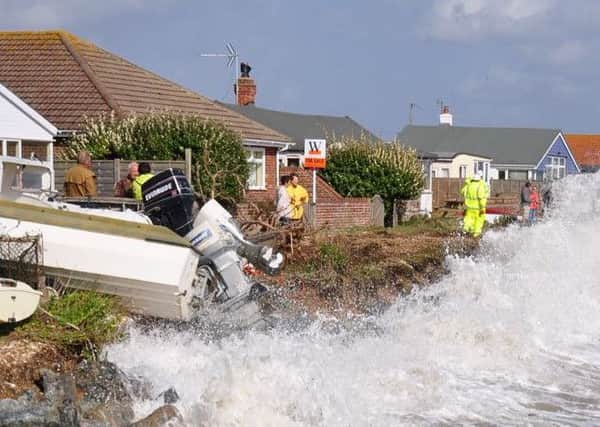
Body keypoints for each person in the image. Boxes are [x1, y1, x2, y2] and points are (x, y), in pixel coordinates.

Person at [461, 170, 488, 238]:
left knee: (468, 219)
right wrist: (482, 207)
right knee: (478, 221)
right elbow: (481, 198)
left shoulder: (468, 186)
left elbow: (462, 192)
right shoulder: (480, 186)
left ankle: (466, 230)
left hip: (469, 207)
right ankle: (476, 235)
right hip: (478, 208)